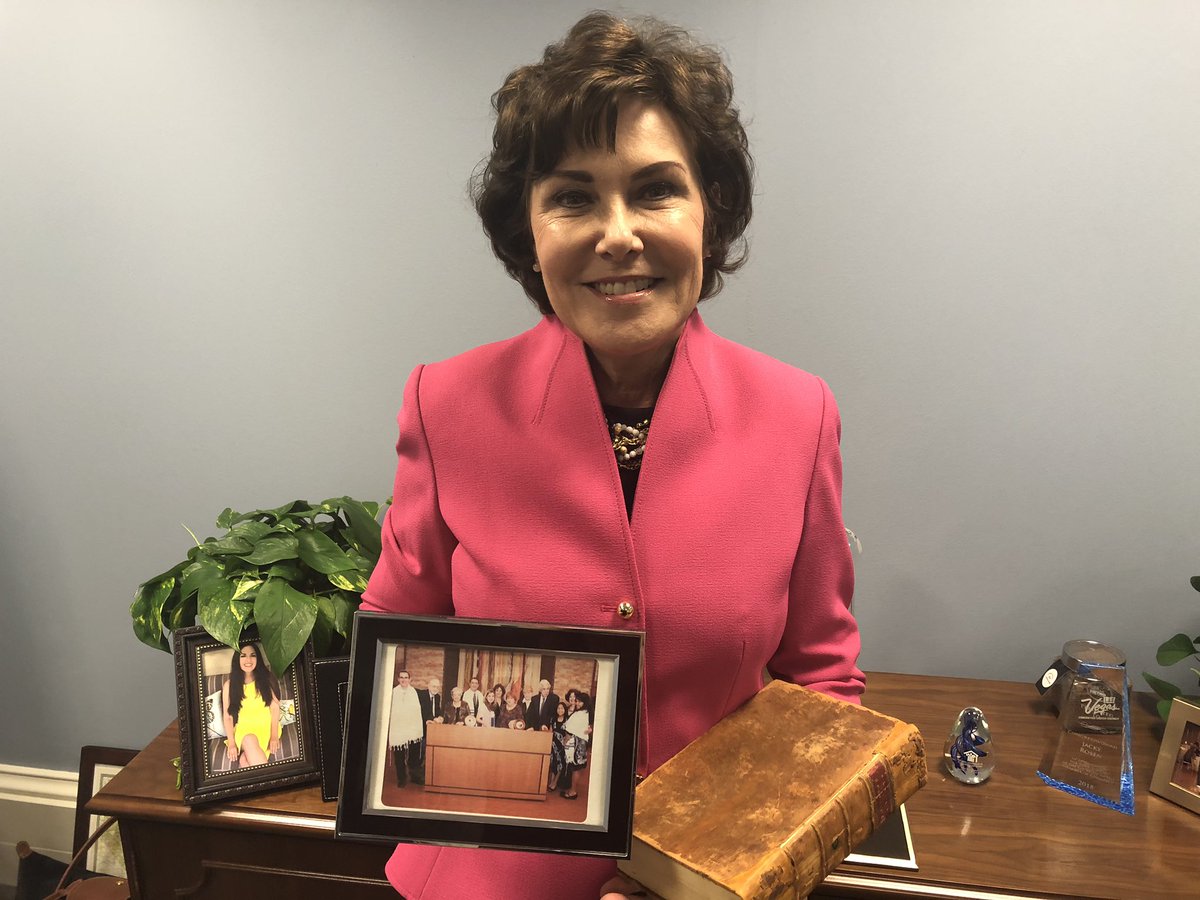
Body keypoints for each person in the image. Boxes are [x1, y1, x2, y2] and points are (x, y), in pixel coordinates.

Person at [361, 11, 863, 898]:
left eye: (655, 189)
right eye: (573, 196)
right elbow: (397, 642)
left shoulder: (799, 415)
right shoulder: (446, 405)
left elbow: (821, 680)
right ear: (529, 229)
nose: (618, 234)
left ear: (710, 210)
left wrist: (744, 870)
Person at [221, 642, 281, 768]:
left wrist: (274, 736)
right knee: (249, 739)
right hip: (243, 731)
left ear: (257, 659)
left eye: (252, 655)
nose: (248, 660)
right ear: (237, 660)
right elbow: (227, 717)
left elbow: (275, 707)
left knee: (244, 761)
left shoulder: (265, 679)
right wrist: (231, 743)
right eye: (243, 656)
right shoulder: (229, 685)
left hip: (265, 728)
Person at [388, 669, 424, 787]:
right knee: (399, 755)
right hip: (398, 728)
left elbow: (417, 711)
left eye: (406, 677)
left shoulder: (413, 692)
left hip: (412, 728)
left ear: (410, 679)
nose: (404, 680)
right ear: (398, 679)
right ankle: (401, 779)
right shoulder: (393, 692)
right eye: (401, 677)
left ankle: (414, 777)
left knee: (414, 755)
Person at [560, 691, 592, 800]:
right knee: (577, 768)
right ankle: (572, 789)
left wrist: (565, 741)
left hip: (577, 744)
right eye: (577, 701)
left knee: (575, 768)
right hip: (583, 743)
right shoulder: (587, 713)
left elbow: (569, 731)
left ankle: (572, 792)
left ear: (584, 702)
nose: (577, 703)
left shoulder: (578, 714)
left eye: (579, 701)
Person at [548, 700, 570, 792]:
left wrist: (565, 743)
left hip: (562, 746)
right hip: (553, 745)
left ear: (565, 710)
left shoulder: (567, 720)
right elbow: (550, 731)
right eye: (558, 708)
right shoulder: (553, 719)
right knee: (553, 763)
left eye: (562, 708)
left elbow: (568, 734)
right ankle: (551, 782)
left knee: (560, 765)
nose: (560, 710)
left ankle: (555, 783)